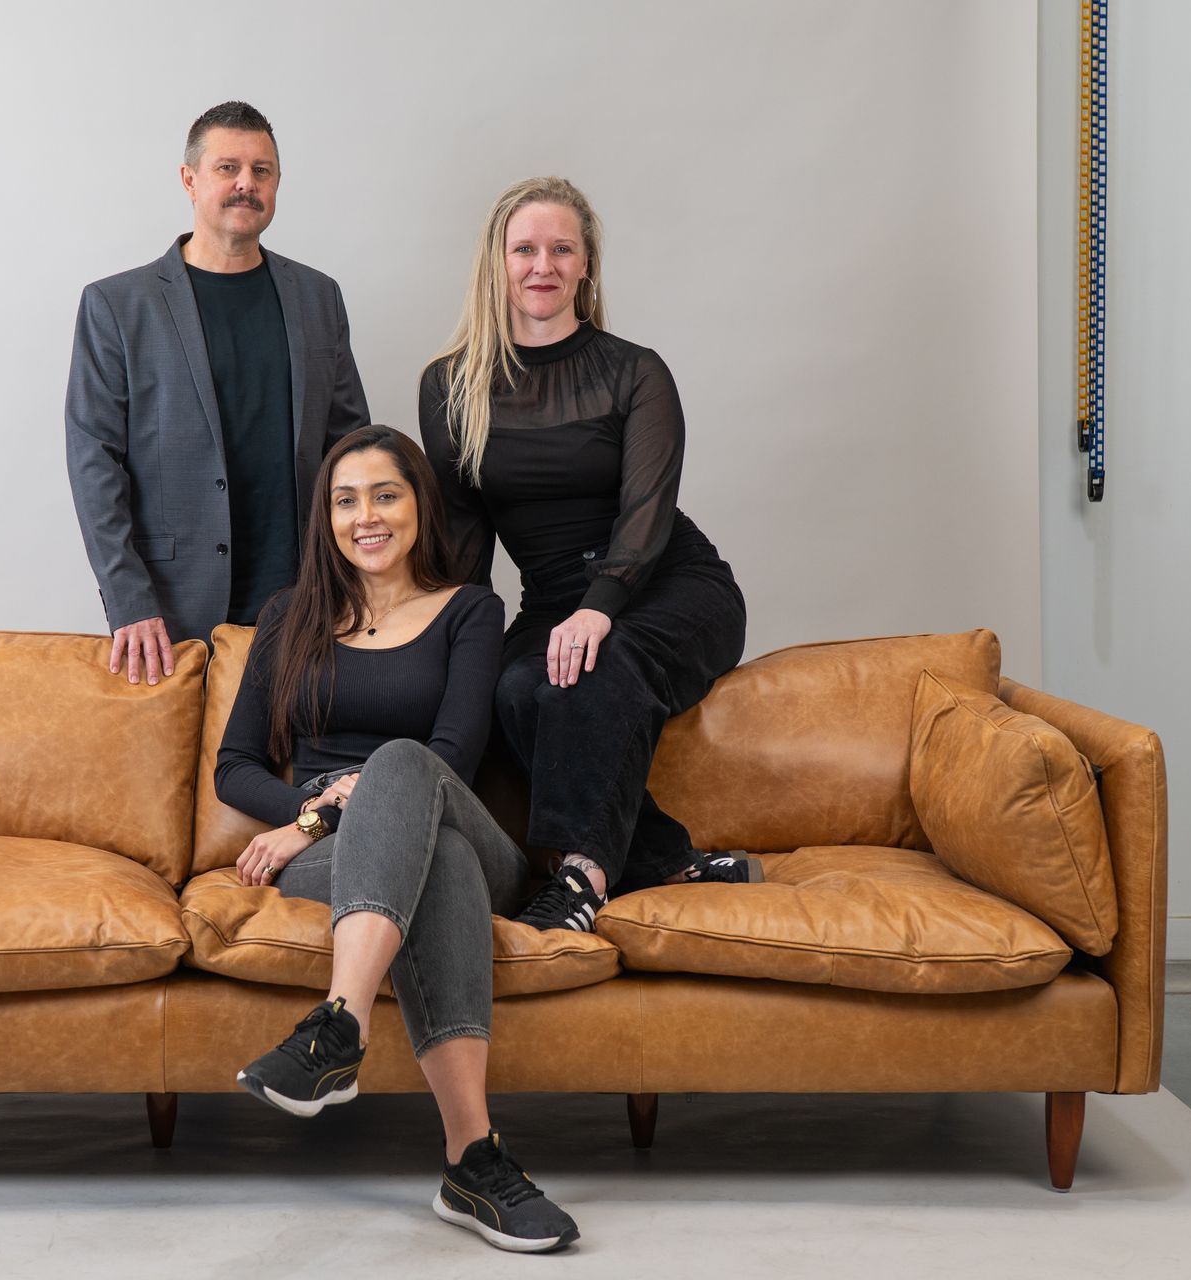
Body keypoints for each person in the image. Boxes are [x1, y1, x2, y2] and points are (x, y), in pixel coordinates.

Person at [215, 425, 580, 1254]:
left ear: (419, 504)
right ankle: (474, 1164)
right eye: (346, 500)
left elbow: (450, 756)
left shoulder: (469, 611)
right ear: (327, 518)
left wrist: (345, 795)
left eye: (386, 494)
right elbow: (233, 766)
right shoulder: (289, 615)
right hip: (339, 855)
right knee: (432, 862)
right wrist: (316, 817)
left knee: (407, 767)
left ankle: (336, 1028)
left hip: (457, 820)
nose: (365, 516)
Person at [419, 176, 755, 935]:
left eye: (562, 249)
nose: (543, 265)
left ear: (586, 266)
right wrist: (450, 647)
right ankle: (666, 857)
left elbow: (647, 514)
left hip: (667, 583)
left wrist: (598, 610)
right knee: (507, 692)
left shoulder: (635, 371)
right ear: (496, 264)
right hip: (551, 602)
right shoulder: (450, 387)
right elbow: (465, 547)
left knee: (592, 674)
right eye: (525, 249)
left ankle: (582, 877)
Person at [65, 100, 369, 686]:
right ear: (190, 179)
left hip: (305, 599)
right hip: (173, 610)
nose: (245, 185)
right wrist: (129, 599)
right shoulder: (118, 306)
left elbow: (351, 448)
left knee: (295, 770)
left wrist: (360, 582)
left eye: (262, 171)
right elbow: (92, 463)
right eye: (228, 167)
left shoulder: (317, 297)